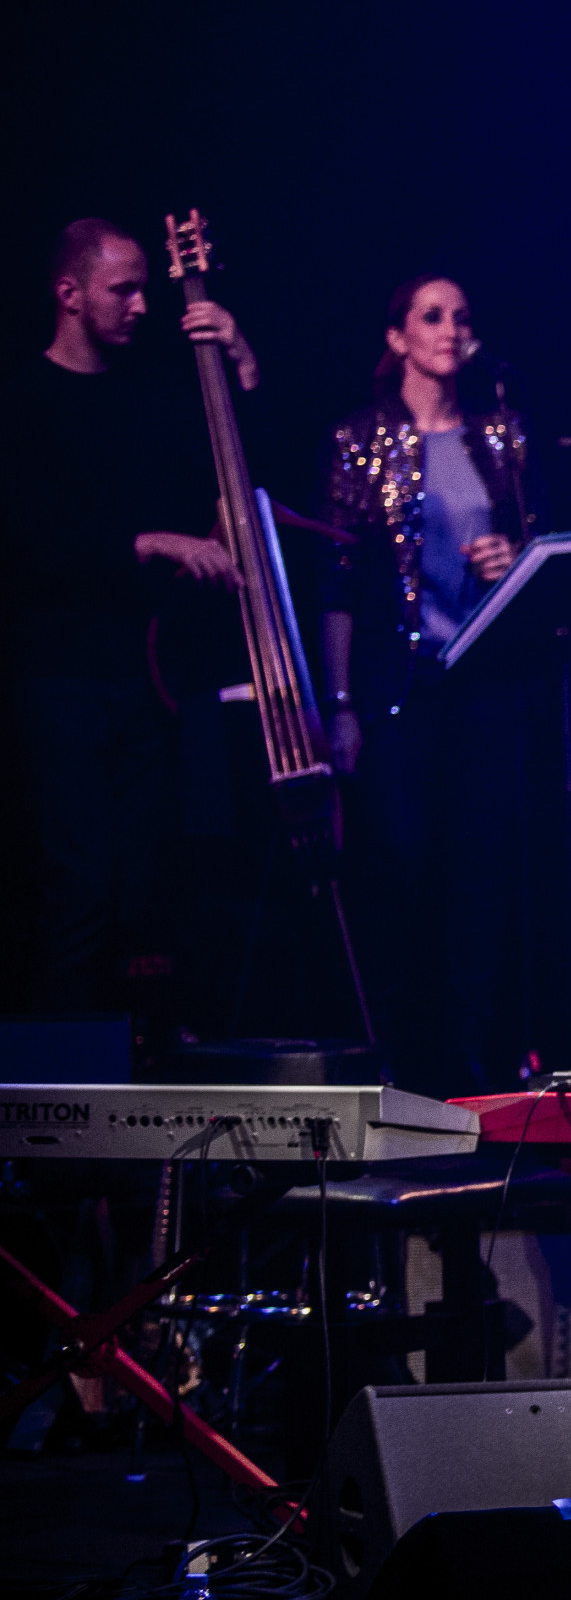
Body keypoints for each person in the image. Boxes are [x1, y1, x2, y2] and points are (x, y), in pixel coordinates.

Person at [0, 219, 252, 1016]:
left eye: (145, 288)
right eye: (124, 289)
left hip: (148, 682)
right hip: (59, 682)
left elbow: (233, 471)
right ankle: (58, 1083)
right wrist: (146, 543)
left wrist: (240, 362)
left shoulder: (149, 396)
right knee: (78, 886)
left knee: (141, 891)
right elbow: (25, 543)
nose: (142, 305)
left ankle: (131, 1067)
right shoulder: (23, 402)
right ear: (69, 294)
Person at [321, 275, 538, 1093]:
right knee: (401, 865)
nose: (451, 329)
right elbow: (339, 579)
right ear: (398, 335)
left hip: (483, 683)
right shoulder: (360, 436)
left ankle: (467, 1061)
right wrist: (339, 703)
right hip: (397, 687)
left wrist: (512, 559)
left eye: (462, 317)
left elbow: (536, 552)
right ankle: (391, 1058)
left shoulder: (500, 433)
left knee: (480, 872)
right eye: (432, 316)